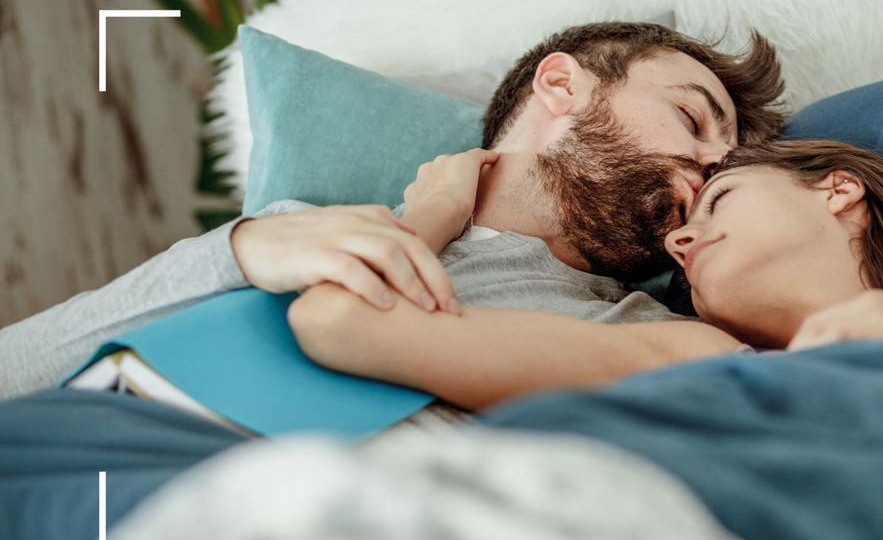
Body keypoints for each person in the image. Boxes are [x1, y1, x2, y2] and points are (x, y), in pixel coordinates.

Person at [0, 21, 785, 400]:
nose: (714, 165)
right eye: (693, 119)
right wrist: (241, 251)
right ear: (561, 86)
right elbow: (18, 371)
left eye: (730, 166)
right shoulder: (298, 230)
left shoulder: (655, 339)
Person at [288, 140, 883, 410]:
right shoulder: (691, 353)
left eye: (720, 195)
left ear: (840, 191)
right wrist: (437, 211)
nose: (681, 242)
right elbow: (339, 322)